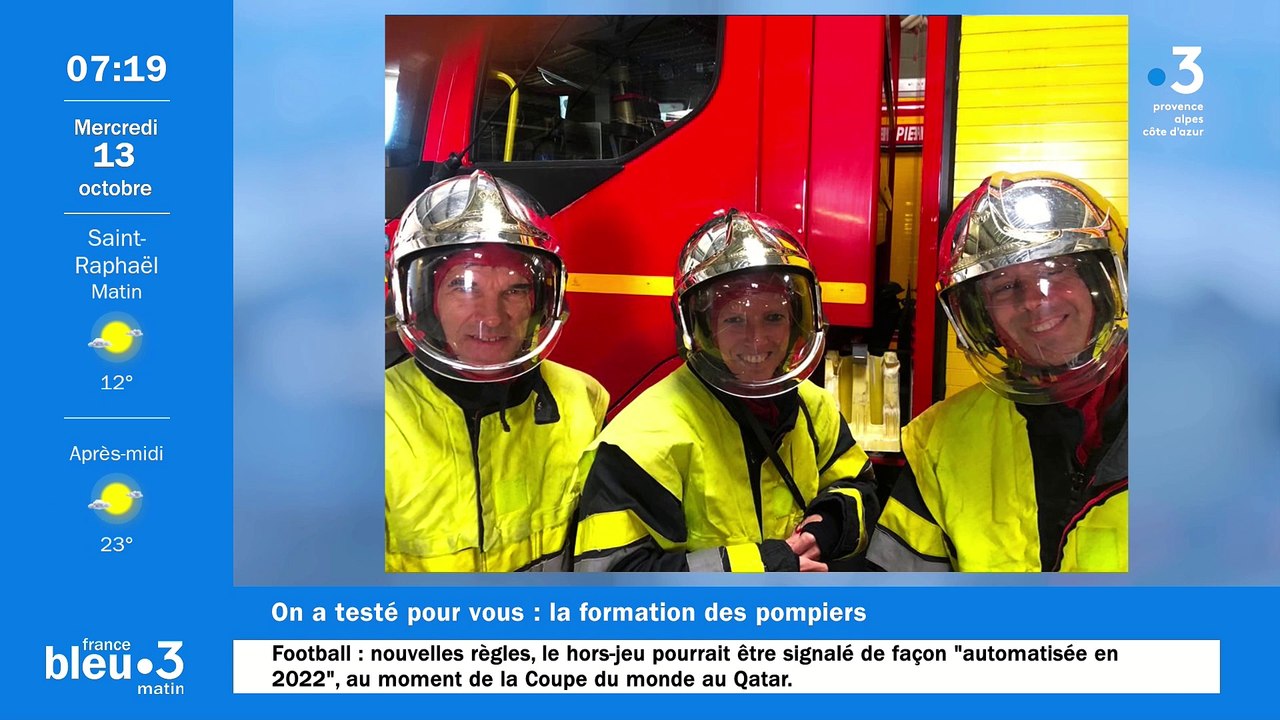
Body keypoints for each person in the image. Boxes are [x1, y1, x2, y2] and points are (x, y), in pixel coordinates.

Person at [572, 210, 879, 572]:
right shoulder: (642, 440)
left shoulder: (815, 406)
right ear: (701, 328)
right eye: (735, 319)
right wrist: (765, 569)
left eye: (774, 317)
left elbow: (860, 486)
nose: (758, 340)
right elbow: (612, 585)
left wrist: (827, 527)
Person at [867, 171, 1128, 572]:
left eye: (1055, 270)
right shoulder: (941, 440)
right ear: (982, 318)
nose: (1035, 302)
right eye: (1004, 287)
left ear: (1099, 278)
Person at [384, 169, 608, 572]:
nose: (491, 316)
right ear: (424, 301)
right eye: (463, 287)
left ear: (540, 301)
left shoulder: (583, 400)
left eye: (515, 289)